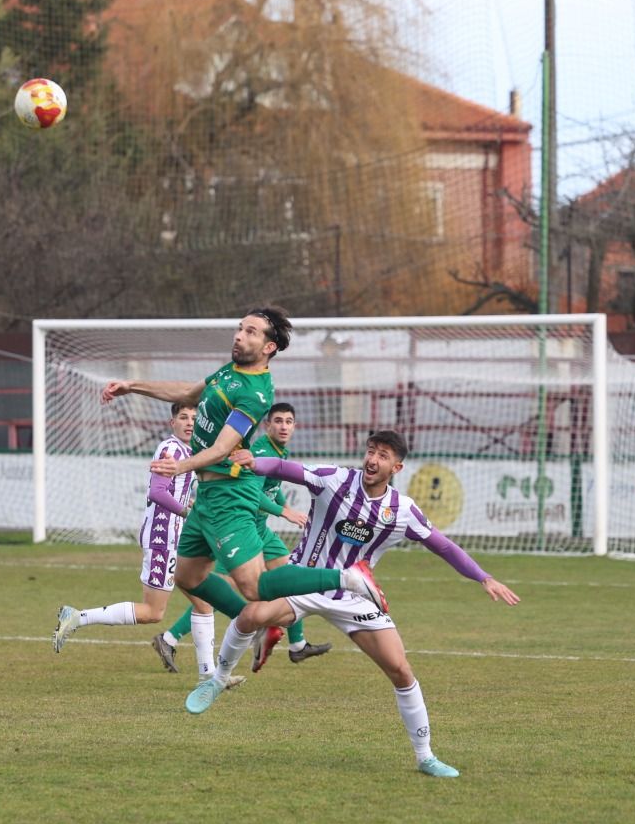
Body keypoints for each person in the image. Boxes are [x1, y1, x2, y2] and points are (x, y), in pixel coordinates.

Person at [185, 430, 521, 779]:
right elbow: (288, 469)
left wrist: (484, 577)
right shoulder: (335, 479)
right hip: (305, 580)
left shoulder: (402, 510)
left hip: (354, 595)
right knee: (251, 613)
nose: (373, 459)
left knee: (401, 670)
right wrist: (256, 462)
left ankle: (426, 757)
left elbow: (444, 547)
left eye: (383, 455)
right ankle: (217, 680)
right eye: (371, 451)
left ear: (397, 467)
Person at [84, 307, 388, 689]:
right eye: (240, 328)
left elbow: (222, 448)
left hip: (230, 494)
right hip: (208, 495)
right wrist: (132, 386)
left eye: (251, 332)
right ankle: (256, 625)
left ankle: (348, 578)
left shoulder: (255, 393)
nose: (239, 336)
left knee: (256, 587)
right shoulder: (229, 372)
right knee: (187, 576)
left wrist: (180, 466)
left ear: (269, 347)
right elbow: (186, 393)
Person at [52, 403, 244, 687]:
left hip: (177, 537)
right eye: (183, 417)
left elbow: (176, 492)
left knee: (204, 603)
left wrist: (190, 505)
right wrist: (188, 512)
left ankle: (209, 676)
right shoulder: (170, 449)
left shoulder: (190, 452)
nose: (189, 422)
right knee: (154, 612)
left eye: (194, 418)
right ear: (172, 423)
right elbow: (157, 492)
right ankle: (77, 617)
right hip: (162, 537)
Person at [150, 403, 329, 674]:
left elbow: (272, 486)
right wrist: (284, 512)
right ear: (266, 426)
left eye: (288, 421)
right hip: (238, 526)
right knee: (219, 587)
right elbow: (253, 492)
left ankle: (297, 645)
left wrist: (284, 506)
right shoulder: (260, 452)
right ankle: (170, 638)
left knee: (289, 576)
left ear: (295, 426)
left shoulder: (278, 450)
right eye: (278, 421)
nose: (283, 426)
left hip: (260, 530)